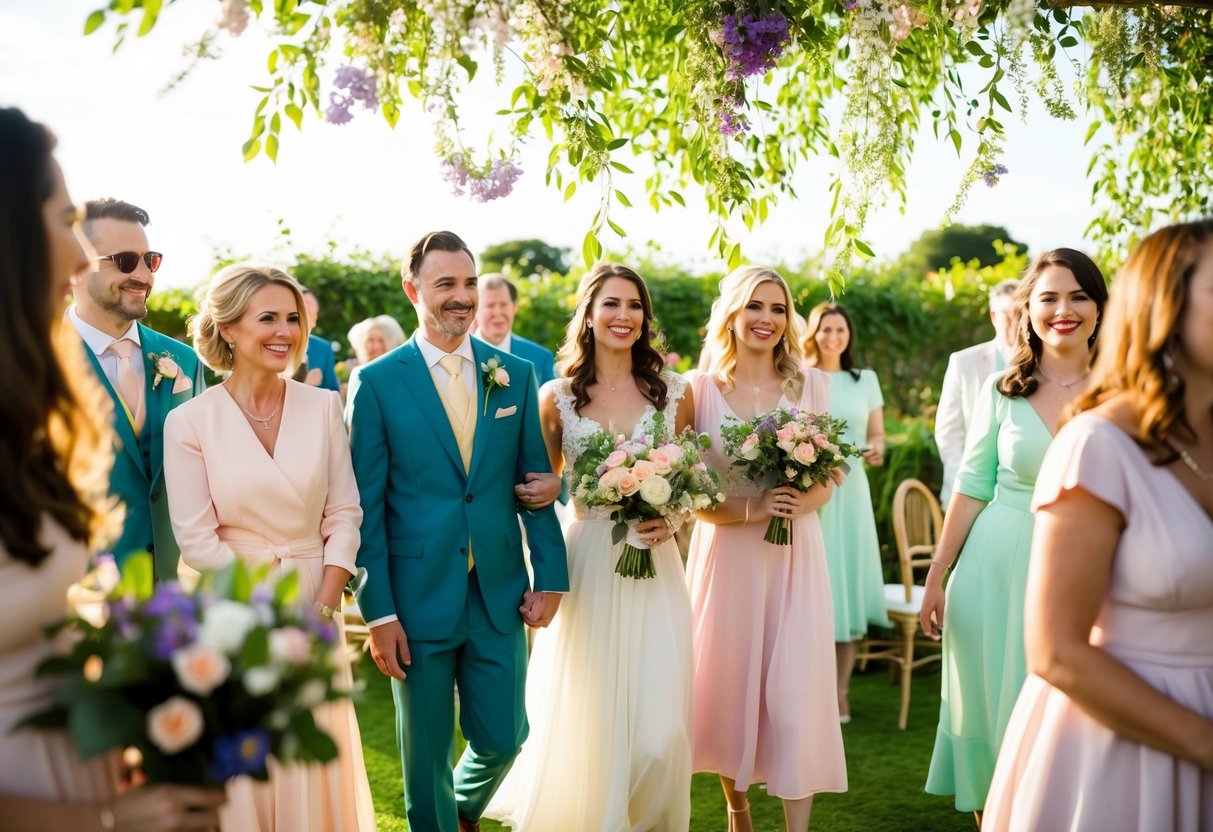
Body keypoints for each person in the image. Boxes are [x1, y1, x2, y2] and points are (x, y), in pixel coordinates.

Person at [0, 105, 224, 831]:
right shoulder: (49, 377)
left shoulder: (170, 365)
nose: (76, 258)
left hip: (110, 716)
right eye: (61, 221)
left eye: (150, 260)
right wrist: (99, 820)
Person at [984, 220, 1213, 830]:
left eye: (1079, 296)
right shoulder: (1096, 444)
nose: (1064, 311)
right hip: (1127, 746)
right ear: (1165, 308)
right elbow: (1056, 650)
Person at [347, 230, 567, 832]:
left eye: (469, 282)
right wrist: (378, 612)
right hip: (414, 598)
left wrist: (550, 575)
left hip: (498, 590)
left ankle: (462, 812)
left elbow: (533, 483)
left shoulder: (514, 373)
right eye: (445, 283)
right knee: (426, 758)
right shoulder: (377, 382)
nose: (462, 296)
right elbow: (364, 508)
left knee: (505, 737)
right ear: (412, 289)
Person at [163, 263, 375, 830]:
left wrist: (323, 605)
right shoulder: (189, 421)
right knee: (248, 746)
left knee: (310, 742)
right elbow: (196, 539)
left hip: (314, 600)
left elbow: (344, 513)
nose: (285, 331)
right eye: (268, 318)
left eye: (292, 318)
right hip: (234, 605)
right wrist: (263, 610)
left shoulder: (323, 406)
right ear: (229, 328)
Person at [486, 262, 696, 831]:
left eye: (634, 305)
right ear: (588, 315)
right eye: (611, 304)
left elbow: (692, 478)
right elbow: (538, 482)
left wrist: (672, 518)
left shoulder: (676, 392)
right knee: (592, 721)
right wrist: (550, 489)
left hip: (656, 564)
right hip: (589, 565)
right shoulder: (556, 397)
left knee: (660, 733)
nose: (624, 315)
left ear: (645, 318)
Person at [919, 249, 1107, 819]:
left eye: (1078, 296)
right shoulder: (1002, 388)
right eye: (1048, 298)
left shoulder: (1127, 389)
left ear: (1100, 307)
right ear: (1028, 309)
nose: (1063, 310)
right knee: (991, 717)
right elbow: (972, 484)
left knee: (1077, 722)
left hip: (1093, 572)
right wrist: (937, 576)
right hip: (995, 569)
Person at [687, 266, 847, 832]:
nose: (767, 319)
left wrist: (802, 502)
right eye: (755, 306)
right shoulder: (697, 390)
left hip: (794, 557)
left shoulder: (812, 385)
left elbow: (831, 476)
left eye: (778, 309)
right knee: (729, 689)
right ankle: (739, 811)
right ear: (731, 314)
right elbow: (689, 491)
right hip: (727, 558)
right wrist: (754, 508)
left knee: (795, 694)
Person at [68, 198, 205, 581]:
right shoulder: (32, 362)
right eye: (126, 261)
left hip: (173, 587)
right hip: (77, 588)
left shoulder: (184, 360)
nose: (143, 275)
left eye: (150, 260)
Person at [802, 301, 890, 723]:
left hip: (852, 492)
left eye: (840, 330)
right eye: (826, 329)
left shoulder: (866, 379)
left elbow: (878, 434)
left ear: (849, 335)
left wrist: (877, 451)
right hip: (813, 490)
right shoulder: (802, 379)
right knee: (814, 583)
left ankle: (840, 692)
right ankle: (810, 690)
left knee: (847, 586)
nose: (833, 337)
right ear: (814, 333)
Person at [935, 279, 1019, 504]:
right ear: (993, 316)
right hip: (970, 489)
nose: (1016, 322)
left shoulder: (1043, 364)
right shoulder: (963, 362)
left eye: (1021, 313)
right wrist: (963, 481)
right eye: (1008, 315)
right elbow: (948, 431)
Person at [473, 273, 557, 385]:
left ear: (515, 307)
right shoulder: (461, 354)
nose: (497, 312)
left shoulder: (541, 357)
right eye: (490, 305)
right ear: (474, 310)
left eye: (503, 304)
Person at [301, 286, 340, 391]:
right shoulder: (278, 344)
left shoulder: (323, 348)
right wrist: (305, 385)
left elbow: (332, 390)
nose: (306, 308)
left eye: (312, 314)